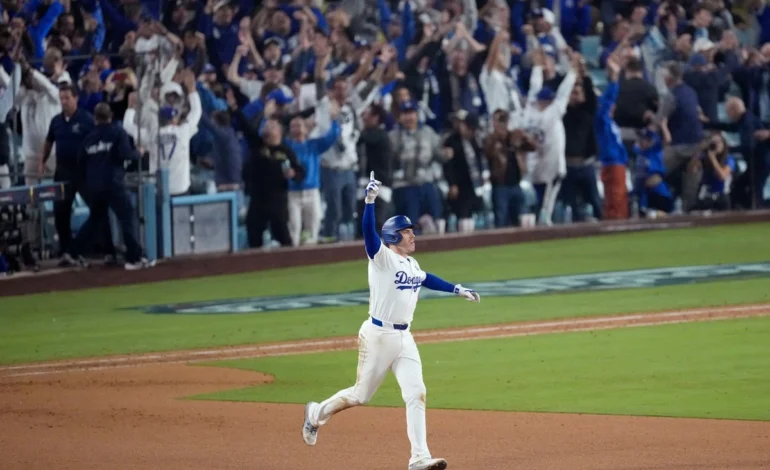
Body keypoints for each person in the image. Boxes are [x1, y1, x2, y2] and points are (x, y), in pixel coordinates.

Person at [301, 171, 480, 470]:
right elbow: (368, 234)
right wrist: (370, 202)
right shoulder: (381, 258)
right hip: (378, 336)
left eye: (412, 231)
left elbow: (426, 278)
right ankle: (316, 413)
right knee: (360, 395)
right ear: (394, 236)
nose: (413, 235)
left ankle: (419, 457)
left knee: (416, 393)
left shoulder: (411, 263)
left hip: (404, 338)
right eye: (407, 231)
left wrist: (456, 289)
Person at [63, 103, 155, 271]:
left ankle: (73, 251)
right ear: (110, 116)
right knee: (127, 216)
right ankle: (134, 257)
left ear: (95, 118)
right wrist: (139, 153)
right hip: (113, 183)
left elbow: (80, 161)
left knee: (95, 220)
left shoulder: (89, 138)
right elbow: (126, 154)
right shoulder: (117, 132)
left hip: (95, 186)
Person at [595, 57, 630, 220]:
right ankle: (615, 225)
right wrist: (614, 81)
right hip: (611, 163)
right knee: (615, 199)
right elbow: (608, 101)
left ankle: (618, 223)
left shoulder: (611, 123)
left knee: (619, 198)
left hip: (618, 162)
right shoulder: (601, 120)